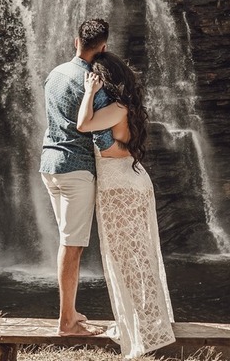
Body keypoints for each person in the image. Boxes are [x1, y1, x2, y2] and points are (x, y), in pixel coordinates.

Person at [77, 51, 175, 358]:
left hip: (121, 188)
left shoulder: (116, 108)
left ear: (103, 79)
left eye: (95, 76)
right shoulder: (124, 106)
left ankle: (144, 332)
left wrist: (89, 92)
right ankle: (142, 325)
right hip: (129, 182)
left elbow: (83, 124)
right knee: (135, 257)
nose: (91, 80)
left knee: (129, 260)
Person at [40, 18, 112, 336]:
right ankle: (67, 322)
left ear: (76, 41)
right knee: (72, 246)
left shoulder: (54, 74)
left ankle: (70, 312)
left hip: (50, 165)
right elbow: (102, 136)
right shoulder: (92, 83)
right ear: (103, 48)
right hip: (76, 170)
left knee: (68, 241)